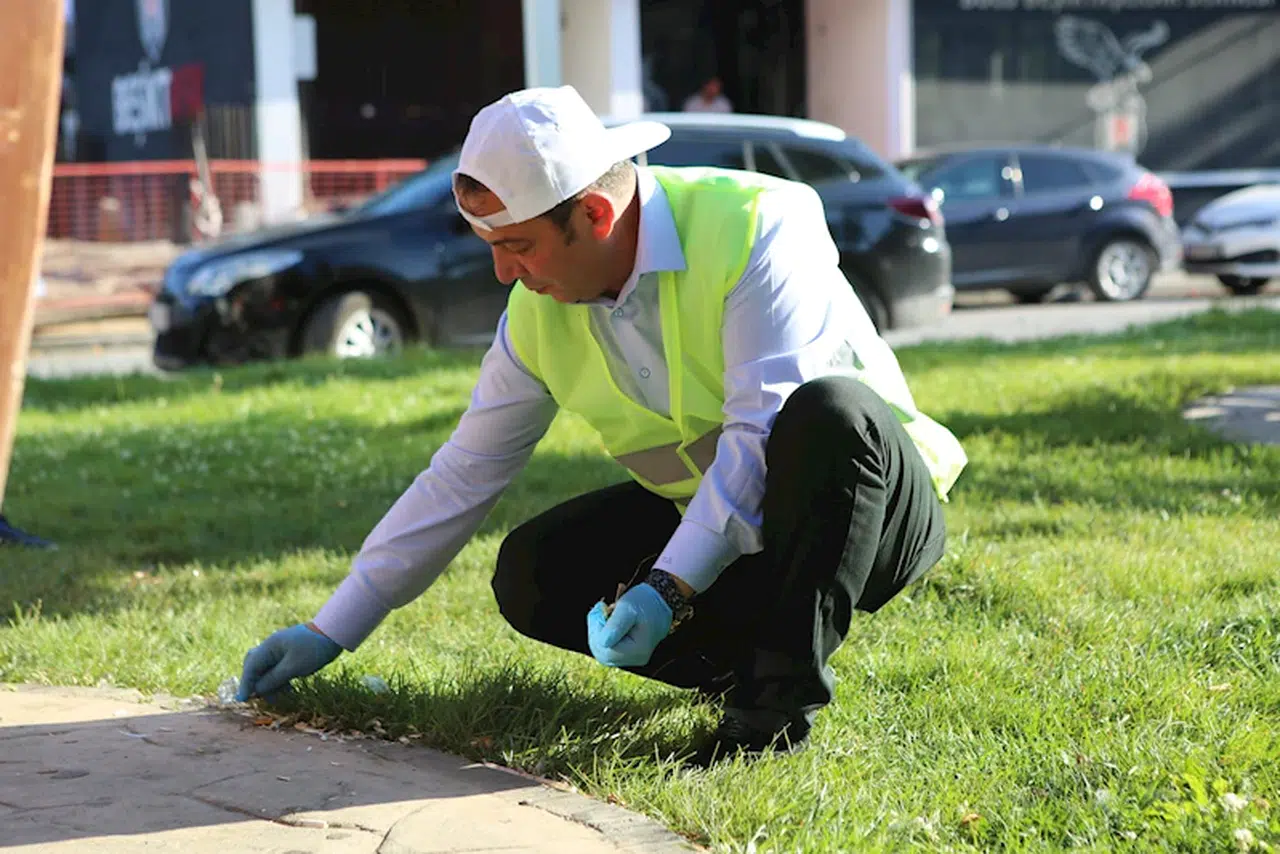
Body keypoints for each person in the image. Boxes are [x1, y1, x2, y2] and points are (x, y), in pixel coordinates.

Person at [236, 85, 967, 765]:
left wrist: (669, 587)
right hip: (732, 529)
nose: (502, 273)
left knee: (825, 414)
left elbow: (762, 432)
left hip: (871, 511)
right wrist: (332, 627)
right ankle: (738, 664)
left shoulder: (756, 224)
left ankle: (770, 714)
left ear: (594, 214)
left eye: (517, 246)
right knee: (534, 571)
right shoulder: (534, 315)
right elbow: (465, 470)